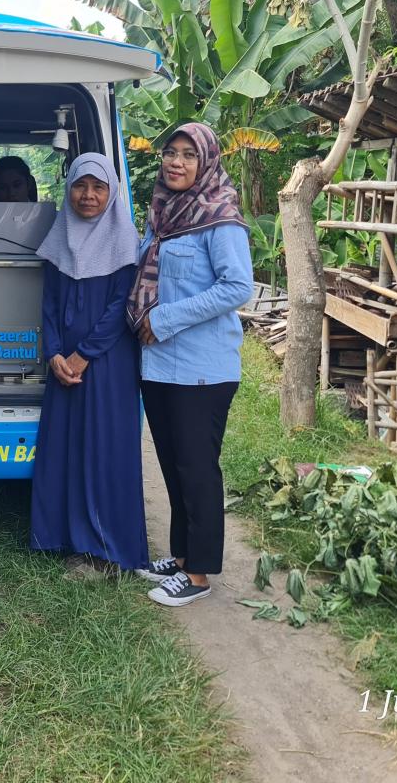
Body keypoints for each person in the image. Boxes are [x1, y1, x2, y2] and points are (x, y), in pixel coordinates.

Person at [128, 122, 253, 608]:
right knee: (173, 465)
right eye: (170, 152)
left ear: (207, 162)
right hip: (159, 364)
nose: (176, 162)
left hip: (202, 368)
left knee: (197, 469)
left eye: (188, 154)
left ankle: (198, 574)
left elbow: (236, 287)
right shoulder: (162, 214)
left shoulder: (220, 218)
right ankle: (181, 556)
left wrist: (165, 319)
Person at [30, 154, 146, 570]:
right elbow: (49, 303)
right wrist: (54, 354)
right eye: (80, 185)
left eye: (99, 187)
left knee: (104, 448)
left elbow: (120, 308)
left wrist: (83, 355)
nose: (88, 195)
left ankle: (105, 548)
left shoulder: (124, 240)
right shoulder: (60, 237)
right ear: (69, 189)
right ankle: (61, 537)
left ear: (112, 192)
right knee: (65, 448)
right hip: (64, 364)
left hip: (107, 363)